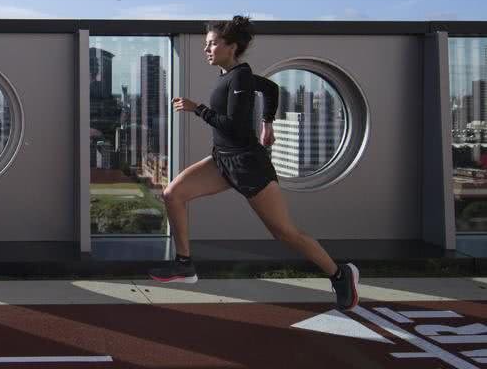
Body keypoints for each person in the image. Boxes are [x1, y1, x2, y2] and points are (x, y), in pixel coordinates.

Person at [147, 16, 359, 311]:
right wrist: (267, 124)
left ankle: (340, 275)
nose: (206, 49)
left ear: (232, 46)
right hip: (222, 160)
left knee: (285, 233)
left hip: (248, 165)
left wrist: (198, 109)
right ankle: (185, 265)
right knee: (173, 194)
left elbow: (234, 126)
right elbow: (271, 90)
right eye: (205, 44)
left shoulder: (240, 77)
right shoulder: (230, 76)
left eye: (212, 44)